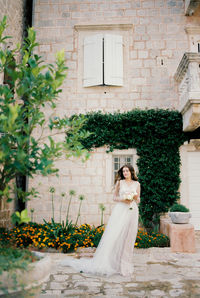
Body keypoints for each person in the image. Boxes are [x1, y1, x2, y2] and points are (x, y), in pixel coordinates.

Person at [61, 164, 140, 276]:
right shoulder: (119, 183)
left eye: (127, 171)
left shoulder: (137, 184)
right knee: (115, 237)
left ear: (132, 172)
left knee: (129, 238)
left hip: (132, 211)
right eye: (123, 171)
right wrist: (124, 198)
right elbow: (114, 198)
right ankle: (112, 263)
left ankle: (125, 265)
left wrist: (134, 197)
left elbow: (139, 200)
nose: (125, 173)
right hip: (120, 210)